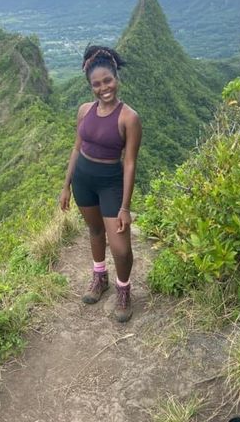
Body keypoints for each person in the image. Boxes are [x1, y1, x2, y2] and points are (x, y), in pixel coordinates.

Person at [60, 45, 142, 322]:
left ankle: (123, 289)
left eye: (107, 80)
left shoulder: (129, 118)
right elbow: (76, 147)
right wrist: (66, 185)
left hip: (110, 183)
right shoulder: (85, 111)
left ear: (116, 78)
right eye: (97, 84)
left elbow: (129, 162)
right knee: (95, 230)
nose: (103, 87)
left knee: (121, 248)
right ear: (90, 87)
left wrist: (125, 207)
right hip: (83, 179)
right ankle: (99, 277)